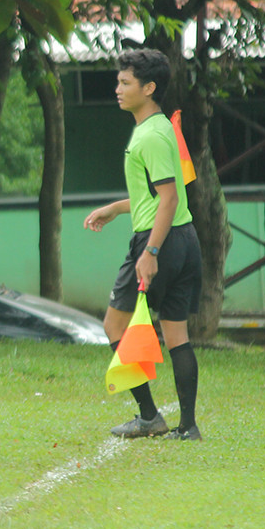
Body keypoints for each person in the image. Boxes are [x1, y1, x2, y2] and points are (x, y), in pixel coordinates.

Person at [83, 48, 203, 441]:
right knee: (176, 334)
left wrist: (150, 252)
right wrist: (118, 208)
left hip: (159, 241)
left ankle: (149, 415)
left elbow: (166, 199)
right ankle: (187, 427)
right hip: (185, 239)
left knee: (114, 324)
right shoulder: (163, 128)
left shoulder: (148, 136)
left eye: (125, 82)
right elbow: (162, 194)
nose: (117, 88)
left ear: (149, 88)